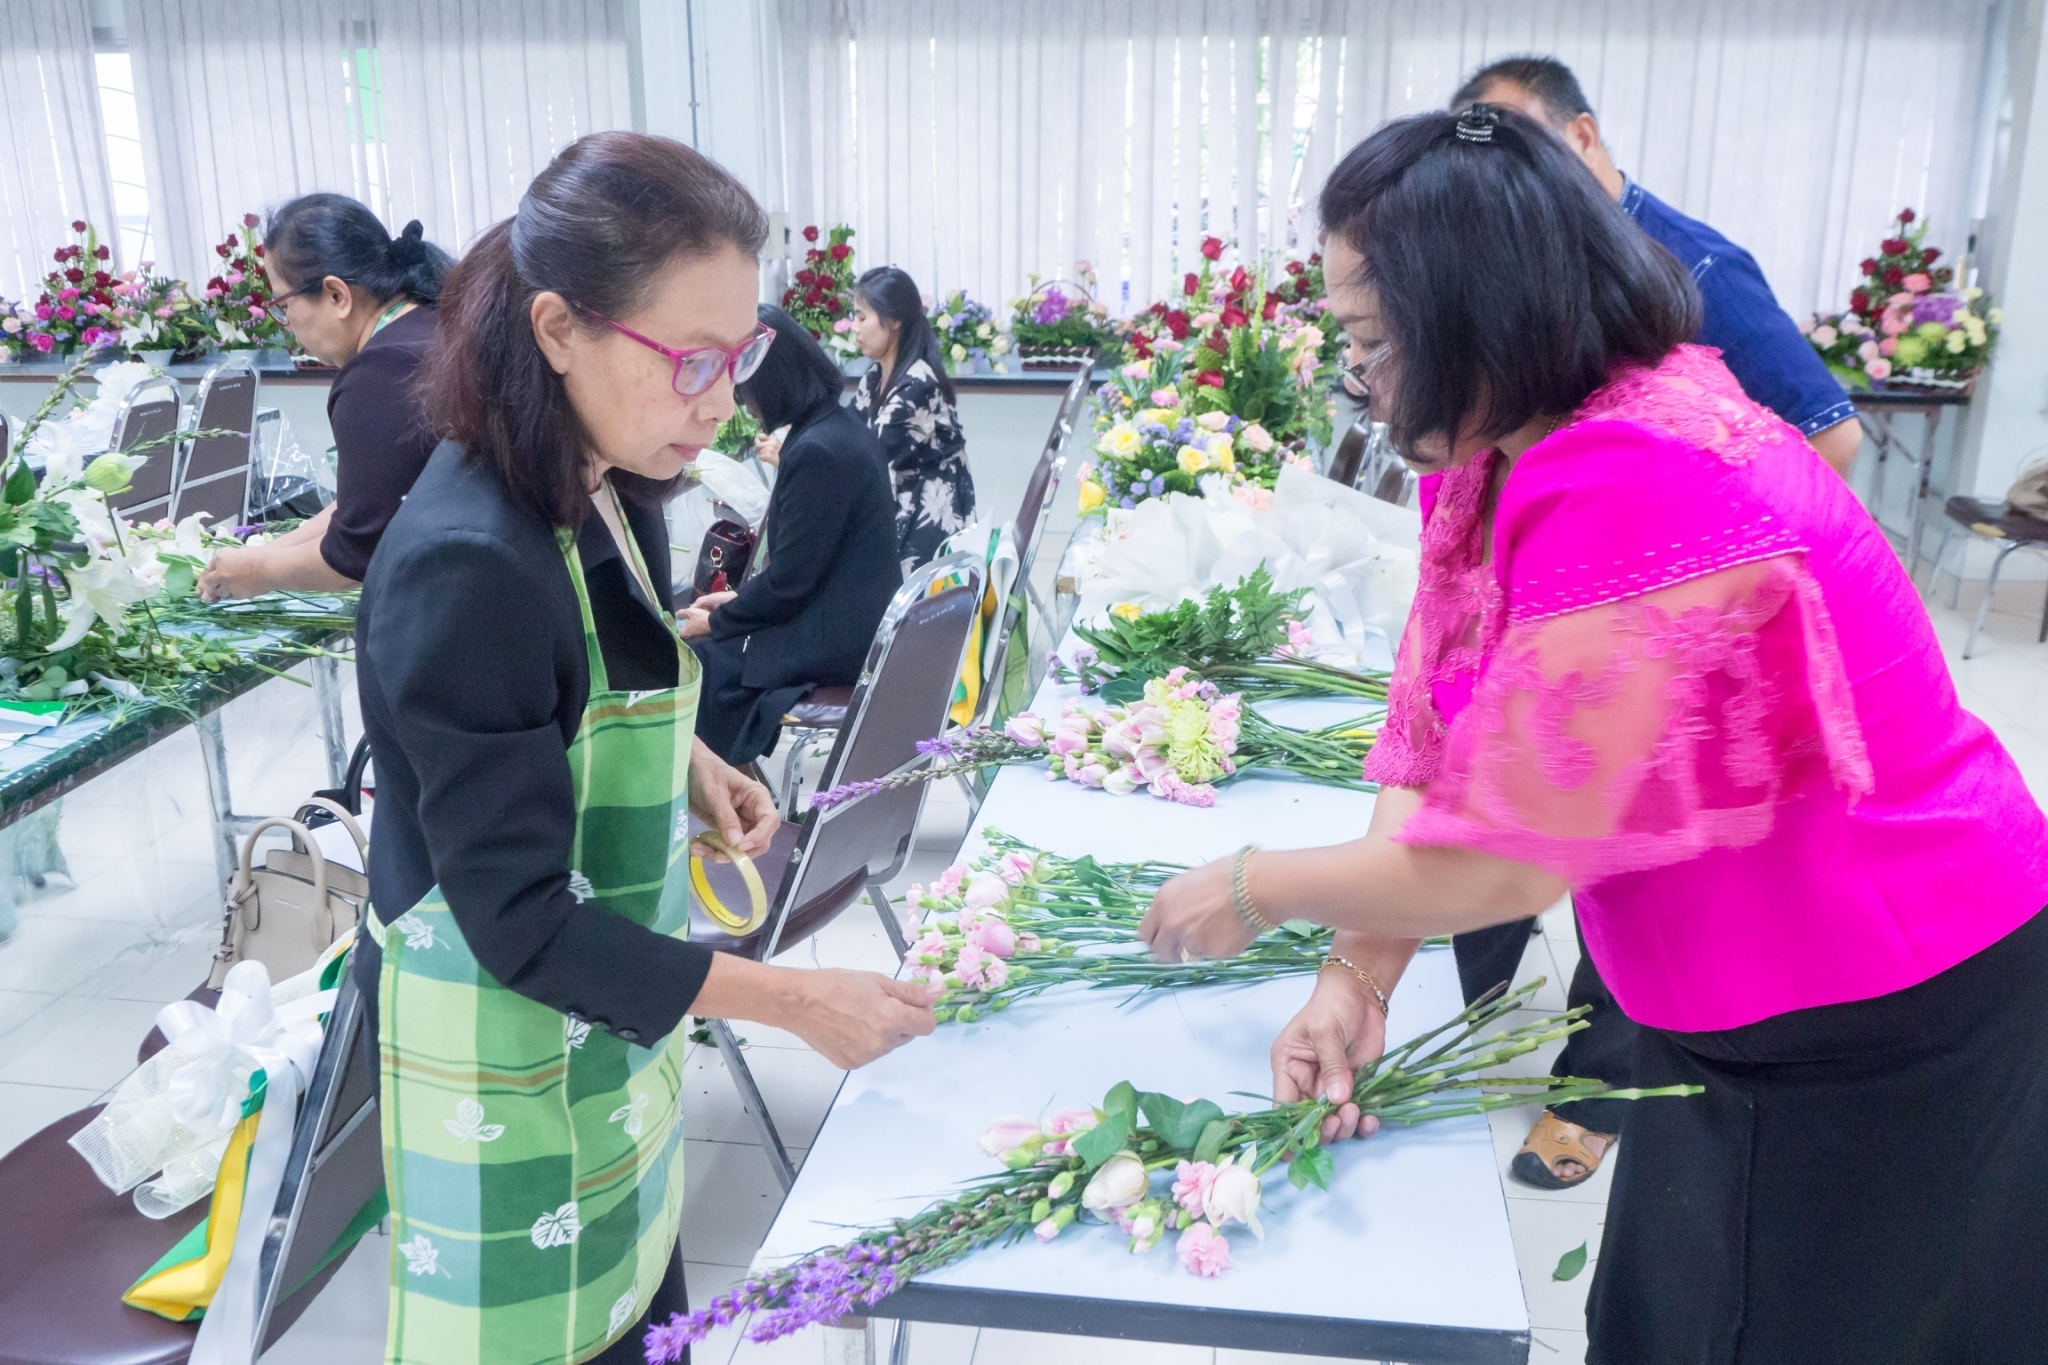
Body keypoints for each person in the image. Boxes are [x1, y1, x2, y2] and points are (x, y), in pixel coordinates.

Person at [1139, 107, 2048, 1364]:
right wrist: (1355, 973)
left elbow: (1510, 858)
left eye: (1371, 342)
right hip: (1740, 1002)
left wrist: (1254, 885)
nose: (1362, 377)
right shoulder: (1500, 449)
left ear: (1474, 313)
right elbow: (1433, 731)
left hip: (1875, 1009)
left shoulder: (1641, 470)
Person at [353, 131, 939, 1365]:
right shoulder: (467, 561)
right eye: (689, 361)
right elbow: (519, 924)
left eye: (740, 355)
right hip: (505, 1055)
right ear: (558, 329)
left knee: (640, 1318)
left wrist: (689, 762)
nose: (720, 401)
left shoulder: (603, 483)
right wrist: (793, 999)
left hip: (612, 1028)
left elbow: (583, 686)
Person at [1448, 54, 1868, 1187]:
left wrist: (1694, 567)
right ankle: (1461, 1000)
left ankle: (1592, 1094)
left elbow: (1828, 437)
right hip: (1579, 582)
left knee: (1635, 871)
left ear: (1583, 138)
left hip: (1679, 618)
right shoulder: (1512, 276)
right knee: (1490, 791)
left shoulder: (1693, 267)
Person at [196, 194, 449, 601]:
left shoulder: (380, 375)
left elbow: (357, 554)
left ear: (336, 295)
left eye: (283, 304)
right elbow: (369, 503)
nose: (286, 325)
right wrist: (265, 553)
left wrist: (260, 572)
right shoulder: (429, 325)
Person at [685, 305, 902, 766]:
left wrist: (721, 622)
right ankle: (730, 788)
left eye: (744, 388)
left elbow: (789, 582)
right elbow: (804, 569)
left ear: (773, 381)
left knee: (696, 661)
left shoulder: (817, 451)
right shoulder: (835, 428)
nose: (741, 404)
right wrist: (737, 606)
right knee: (711, 650)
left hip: (839, 639)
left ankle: (722, 792)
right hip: (850, 619)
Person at [849, 265, 973, 565]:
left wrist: (790, 458)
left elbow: (869, 460)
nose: (854, 327)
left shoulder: (919, 384)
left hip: (929, 522)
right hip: (901, 507)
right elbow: (845, 432)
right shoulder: (875, 377)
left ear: (894, 320)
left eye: (862, 317)